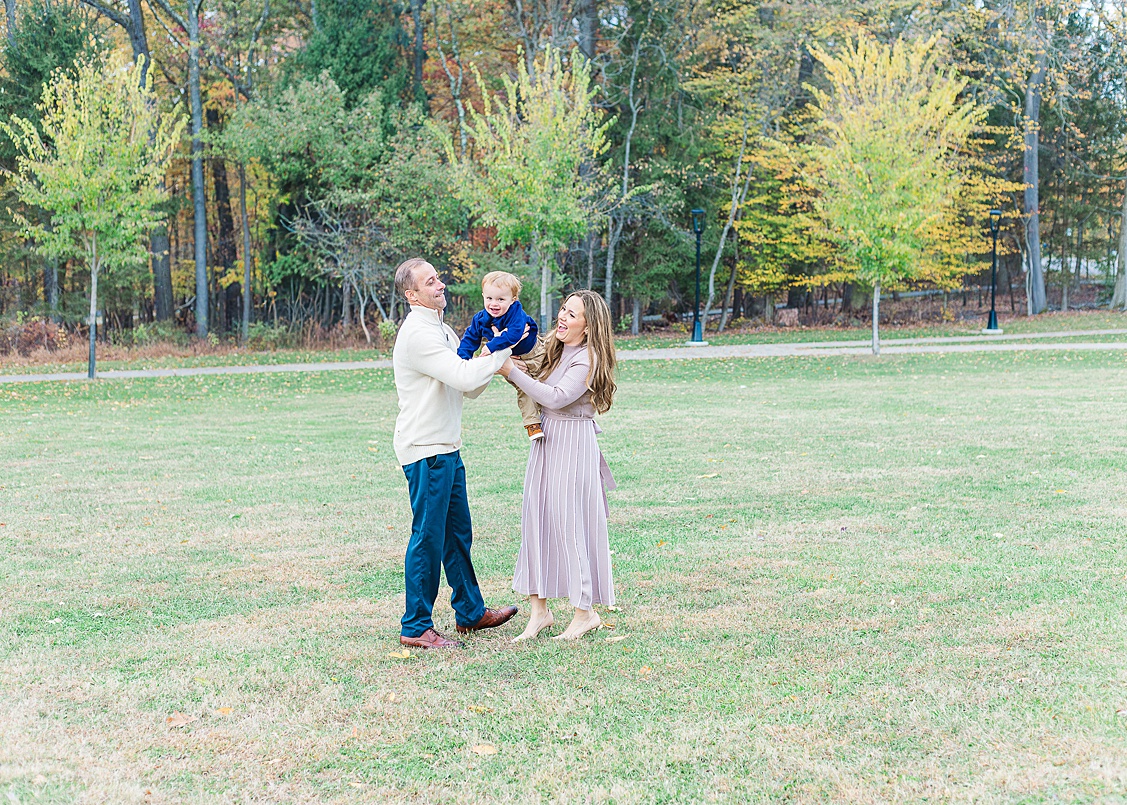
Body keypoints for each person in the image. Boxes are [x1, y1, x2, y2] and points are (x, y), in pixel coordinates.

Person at [392, 257, 519, 649]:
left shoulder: (442, 329)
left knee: (456, 535)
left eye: (438, 278)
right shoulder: (418, 334)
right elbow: (465, 375)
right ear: (413, 295)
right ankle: (415, 626)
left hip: (447, 445)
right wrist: (503, 347)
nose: (440, 285)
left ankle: (470, 612)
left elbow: (468, 385)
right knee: (428, 538)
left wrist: (491, 358)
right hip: (426, 448)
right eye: (430, 282)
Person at [498, 289, 618, 641]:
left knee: (570, 525)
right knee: (536, 519)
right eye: (563, 310)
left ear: (589, 325)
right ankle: (539, 612)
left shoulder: (587, 358)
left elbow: (556, 397)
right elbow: (536, 378)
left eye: (572, 314)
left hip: (573, 442)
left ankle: (585, 613)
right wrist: (515, 365)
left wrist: (512, 373)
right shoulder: (556, 347)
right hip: (546, 440)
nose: (562, 317)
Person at [456, 271, 544, 441]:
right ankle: (532, 424)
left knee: (547, 383)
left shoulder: (516, 313)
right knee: (524, 388)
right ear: (483, 296)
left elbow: (515, 334)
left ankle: (553, 415)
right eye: (489, 298)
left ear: (513, 299)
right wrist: (463, 360)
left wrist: (492, 345)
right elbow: (470, 339)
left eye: (500, 299)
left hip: (535, 353)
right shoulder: (480, 319)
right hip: (511, 359)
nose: (493, 304)